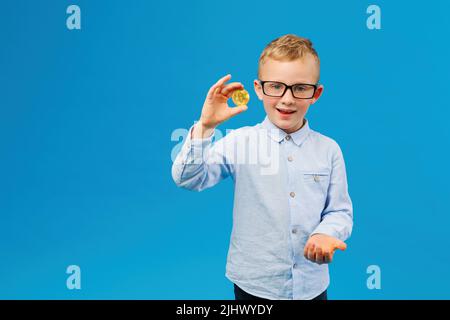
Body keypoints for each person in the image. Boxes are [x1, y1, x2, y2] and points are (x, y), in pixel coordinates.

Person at [171, 34, 353, 300]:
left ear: (316, 93)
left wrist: (326, 233)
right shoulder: (240, 141)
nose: (287, 99)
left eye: (300, 88)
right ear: (258, 88)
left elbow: (340, 211)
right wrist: (205, 127)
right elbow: (188, 179)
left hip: (311, 285)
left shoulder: (329, 149)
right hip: (254, 285)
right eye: (276, 86)